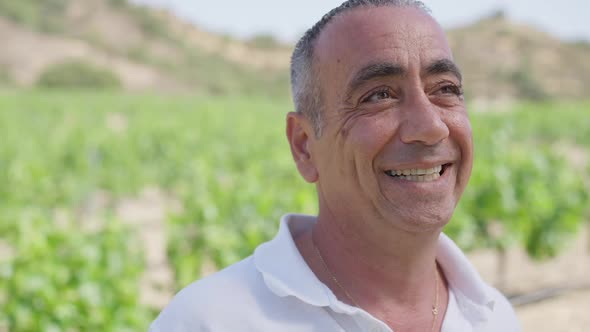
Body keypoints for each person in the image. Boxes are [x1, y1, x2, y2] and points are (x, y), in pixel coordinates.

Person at [150, 1, 521, 331]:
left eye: (445, 89)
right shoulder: (209, 321)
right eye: (378, 95)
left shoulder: (493, 317)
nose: (430, 126)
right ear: (304, 147)